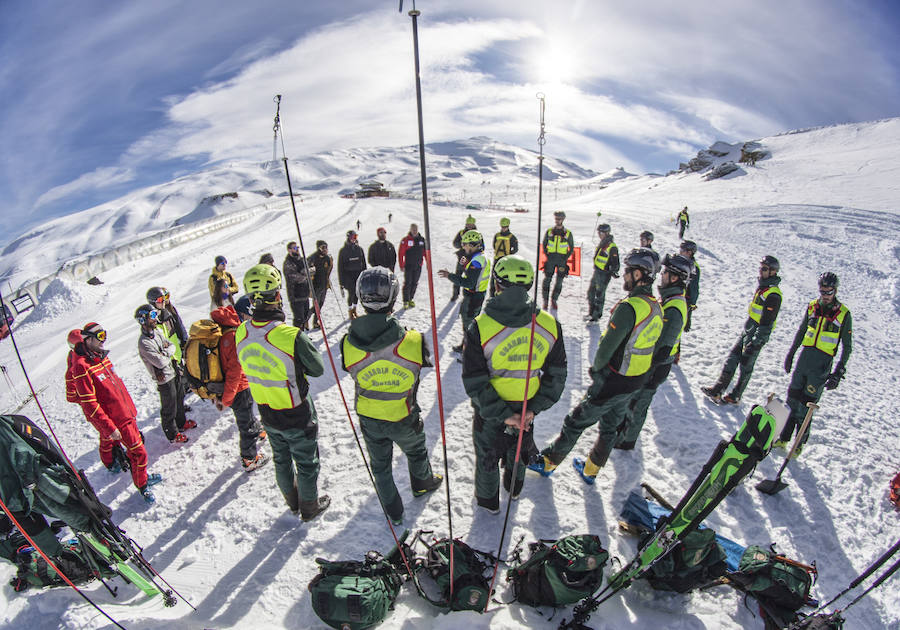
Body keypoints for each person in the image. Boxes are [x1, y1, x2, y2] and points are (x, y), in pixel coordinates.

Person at [530, 248, 662, 484]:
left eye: (629, 271)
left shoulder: (629, 308)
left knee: (575, 422)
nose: (625, 275)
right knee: (610, 427)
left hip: (612, 382)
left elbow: (606, 349)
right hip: (635, 381)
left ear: (641, 274)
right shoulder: (655, 306)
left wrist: (597, 372)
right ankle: (591, 470)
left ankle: (548, 462)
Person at [462, 255, 567, 512]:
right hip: (527, 408)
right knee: (518, 451)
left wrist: (503, 415)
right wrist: (533, 409)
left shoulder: (481, 326)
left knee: (487, 456)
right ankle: (514, 490)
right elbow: (558, 373)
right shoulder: (549, 325)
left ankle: (488, 503)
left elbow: (474, 380)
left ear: (496, 285)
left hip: (490, 411)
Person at [340, 267, 442, 524]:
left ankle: (394, 512)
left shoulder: (347, 342)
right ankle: (422, 483)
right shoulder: (415, 340)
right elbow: (423, 365)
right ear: (394, 298)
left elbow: (349, 367)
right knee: (416, 451)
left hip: (369, 418)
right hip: (404, 415)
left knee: (380, 466)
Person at [235, 264, 330, 520]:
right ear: (278, 296)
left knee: (282, 459)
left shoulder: (241, 332)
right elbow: (317, 369)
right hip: (297, 411)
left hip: (267, 411)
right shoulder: (289, 335)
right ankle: (309, 508)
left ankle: (293, 504)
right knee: (307, 463)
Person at [65, 324, 162, 503]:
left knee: (120, 444)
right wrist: (109, 427)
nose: (104, 340)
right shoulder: (81, 367)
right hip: (116, 420)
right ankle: (143, 484)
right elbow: (89, 403)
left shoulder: (101, 358)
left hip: (125, 413)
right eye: (100, 335)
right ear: (87, 339)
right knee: (139, 452)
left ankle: (114, 463)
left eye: (105, 334)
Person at [614, 253, 691, 450]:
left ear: (675, 278)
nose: (662, 275)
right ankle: (623, 432)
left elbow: (664, 345)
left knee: (639, 403)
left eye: (666, 272)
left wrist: (646, 369)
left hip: (656, 365)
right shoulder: (671, 298)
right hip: (653, 363)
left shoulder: (674, 307)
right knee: (633, 400)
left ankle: (627, 440)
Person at [776, 272, 852, 453]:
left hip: (821, 365)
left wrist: (838, 372)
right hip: (805, 358)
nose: (825, 295)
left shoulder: (843, 314)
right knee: (792, 399)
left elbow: (847, 347)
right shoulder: (812, 307)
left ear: (835, 290)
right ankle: (784, 438)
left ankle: (799, 443)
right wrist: (791, 353)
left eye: (829, 292)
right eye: (822, 291)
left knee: (806, 405)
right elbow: (802, 330)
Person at [701, 255, 782, 404]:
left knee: (746, 366)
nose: (760, 271)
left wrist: (756, 342)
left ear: (773, 272)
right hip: (749, 328)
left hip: (757, 334)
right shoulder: (763, 287)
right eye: (761, 268)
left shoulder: (773, 294)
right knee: (732, 359)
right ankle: (718, 389)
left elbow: (767, 323)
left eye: (764, 269)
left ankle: (735, 395)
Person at [210, 305, 268, 471]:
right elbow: (235, 372)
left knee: (248, 414)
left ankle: (258, 430)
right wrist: (226, 399)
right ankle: (249, 458)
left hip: (230, 387)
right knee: (245, 423)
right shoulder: (232, 337)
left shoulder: (221, 334)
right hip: (238, 389)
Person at [135, 305, 194, 444]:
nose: (156, 319)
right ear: (143, 320)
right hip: (164, 378)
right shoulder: (144, 342)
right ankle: (172, 433)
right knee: (169, 405)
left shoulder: (157, 332)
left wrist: (165, 352)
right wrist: (166, 352)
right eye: (152, 316)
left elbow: (171, 345)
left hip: (172, 369)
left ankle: (181, 422)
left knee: (179, 397)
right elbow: (159, 362)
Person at [438, 230, 491, 353]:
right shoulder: (479, 257)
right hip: (476, 295)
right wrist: (467, 264)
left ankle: (470, 351)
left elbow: (469, 283)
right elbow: (474, 275)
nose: (463, 248)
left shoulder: (477, 260)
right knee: (469, 323)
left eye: (465, 245)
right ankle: (465, 345)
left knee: (469, 324)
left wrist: (449, 276)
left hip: (473, 297)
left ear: (472, 245)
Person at [586, 223, 619, 322]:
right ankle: (591, 313)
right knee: (591, 292)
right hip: (597, 271)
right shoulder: (602, 243)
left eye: (601, 232)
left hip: (604, 274)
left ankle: (596, 316)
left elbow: (615, 262)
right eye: (598, 232)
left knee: (599, 295)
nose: (599, 234)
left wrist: (612, 270)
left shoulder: (611, 246)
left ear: (607, 233)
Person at [541, 211, 574, 310]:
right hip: (550, 259)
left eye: (559, 219)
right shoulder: (549, 231)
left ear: (563, 219)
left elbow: (571, 247)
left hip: (561, 260)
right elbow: (544, 243)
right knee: (547, 279)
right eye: (556, 219)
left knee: (559, 281)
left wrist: (565, 257)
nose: (557, 220)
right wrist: (547, 254)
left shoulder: (567, 233)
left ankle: (554, 299)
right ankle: (545, 300)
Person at [338, 230, 367, 319]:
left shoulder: (359, 249)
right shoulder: (343, 251)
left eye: (356, 237)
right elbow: (340, 267)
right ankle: (350, 311)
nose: (354, 239)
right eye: (353, 237)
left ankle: (354, 309)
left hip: (358, 274)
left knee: (357, 293)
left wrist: (365, 275)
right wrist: (341, 281)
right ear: (349, 238)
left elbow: (363, 262)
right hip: (348, 275)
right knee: (351, 293)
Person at [283, 241, 311, 329]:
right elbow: (292, 277)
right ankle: (297, 336)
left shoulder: (302, 260)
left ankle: (303, 334)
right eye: (294, 248)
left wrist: (307, 272)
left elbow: (310, 270)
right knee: (299, 318)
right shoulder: (288, 262)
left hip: (305, 293)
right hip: (295, 294)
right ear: (289, 250)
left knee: (306, 315)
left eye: (297, 248)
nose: (297, 250)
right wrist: (305, 275)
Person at [398, 223, 426, 309]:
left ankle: (411, 298)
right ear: (410, 229)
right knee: (408, 283)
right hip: (408, 265)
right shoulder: (405, 240)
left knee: (415, 283)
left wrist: (428, 263)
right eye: (413, 229)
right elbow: (401, 253)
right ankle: (405, 301)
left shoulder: (422, 240)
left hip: (418, 265)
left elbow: (425, 252)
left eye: (415, 229)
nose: (414, 231)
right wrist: (401, 265)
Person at [307, 240, 334, 329]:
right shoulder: (314, 257)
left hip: (324, 284)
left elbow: (329, 267)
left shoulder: (327, 257)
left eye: (326, 247)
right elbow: (307, 265)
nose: (325, 249)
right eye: (323, 247)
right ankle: (306, 319)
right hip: (316, 285)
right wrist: (311, 268)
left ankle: (315, 322)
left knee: (321, 304)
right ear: (319, 248)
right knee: (316, 305)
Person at [451, 215, 477, 302]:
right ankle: (455, 294)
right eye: (468, 224)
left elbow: (481, 246)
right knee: (457, 276)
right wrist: (461, 245)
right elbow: (455, 243)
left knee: (470, 278)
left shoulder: (477, 234)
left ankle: (469, 295)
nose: (469, 226)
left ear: (474, 224)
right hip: (462, 258)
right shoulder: (461, 233)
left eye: (471, 224)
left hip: (472, 259)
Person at [490, 217, 518, 297]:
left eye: (505, 227)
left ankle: (503, 296)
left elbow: (515, 249)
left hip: (506, 261)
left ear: (508, 226)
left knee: (504, 278)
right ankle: (492, 296)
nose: (503, 228)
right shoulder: (497, 235)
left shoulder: (512, 237)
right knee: (494, 278)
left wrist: (509, 254)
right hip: (497, 259)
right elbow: (494, 245)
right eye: (502, 227)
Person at [680, 241, 700, 334]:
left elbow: (694, 287)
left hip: (685, 300)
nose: (680, 251)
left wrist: (691, 304)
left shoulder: (693, 267)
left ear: (689, 252)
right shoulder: (681, 261)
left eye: (682, 250)